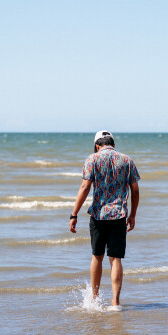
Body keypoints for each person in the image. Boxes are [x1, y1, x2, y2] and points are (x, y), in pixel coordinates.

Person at [69, 130, 140, 307]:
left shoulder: (91, 159)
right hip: (119, 215)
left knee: (97, 257)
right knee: (115, 259)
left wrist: (74, 214)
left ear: (96, 145)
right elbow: (135, 190)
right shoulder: (126, 160)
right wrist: (133, 215)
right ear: (113, 144)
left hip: (98, 215)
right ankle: (115, 302)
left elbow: (85, 187)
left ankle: (94, 299)